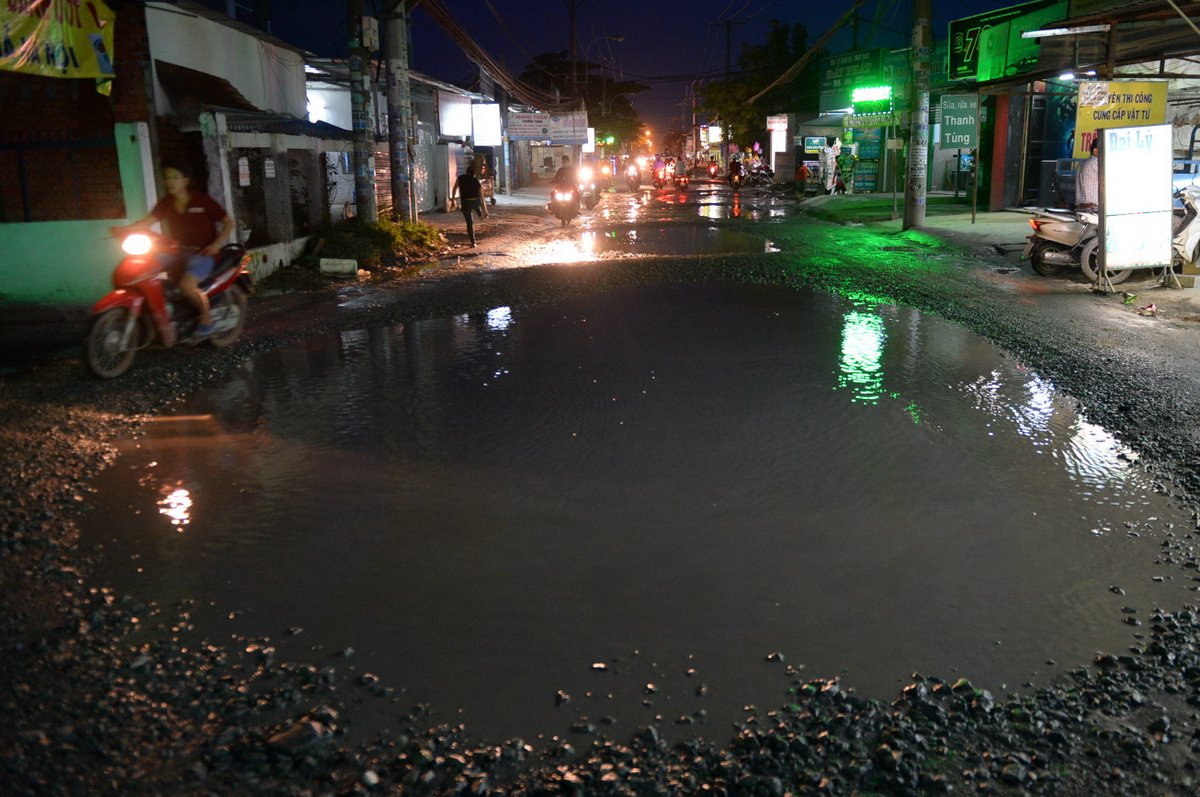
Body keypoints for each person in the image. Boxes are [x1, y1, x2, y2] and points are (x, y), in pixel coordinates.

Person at [113, 162, 234, 337]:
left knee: (186, 286)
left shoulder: (201, 200)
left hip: (202, 253)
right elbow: (147, 223)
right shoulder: (166, 203)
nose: (170, 181)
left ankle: (207, 320)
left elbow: (229, 223)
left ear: (186, 180)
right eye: (167, 177)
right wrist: (125, 230)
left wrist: (216, 245)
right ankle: (164, 313)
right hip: (176, 252)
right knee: (141, 269)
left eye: (175, 177)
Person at [451, 164, 486, 247]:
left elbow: (454, 189)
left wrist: (452, 201)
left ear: (466, 172)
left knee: (469, 223)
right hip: (476, 202)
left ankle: (473, 242)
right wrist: (485, 211)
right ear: (474, 174)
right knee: (477, 204)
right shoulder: (476, 181)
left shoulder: (460, 178)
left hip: (466, 203)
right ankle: (480, 215)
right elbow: (482, 197)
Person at [1075, 136, 1099, 212]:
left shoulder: (1082, 163)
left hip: (1081, 207)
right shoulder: (1095, 163)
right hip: (1092, 208)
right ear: (1095, 151)